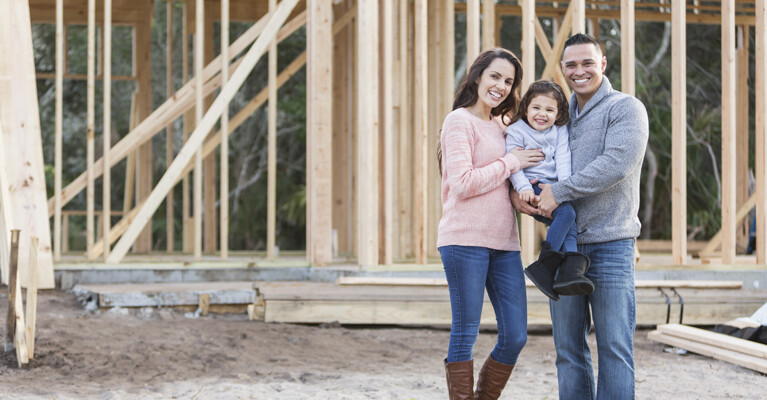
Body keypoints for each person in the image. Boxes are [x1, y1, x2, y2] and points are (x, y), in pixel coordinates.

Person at [512, 33, 649, 400]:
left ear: (603, 64)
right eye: (570, 64)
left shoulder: (625, 108)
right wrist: (524, 193)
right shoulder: (556, 118)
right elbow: (543, 173)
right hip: (564, 250)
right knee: (568, 352)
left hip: (611, 247)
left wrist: (560, 192)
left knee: (614, 350)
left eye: (587, 62)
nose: (579, 70)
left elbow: (616, 165)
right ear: (563, 70)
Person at [437, 48, 545, 400]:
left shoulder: (504, 127)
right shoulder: (458, 121)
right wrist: (510, 162)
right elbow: (463, 184)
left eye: (509, 81)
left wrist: (521, 197)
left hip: (504, 243)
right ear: (478, 76)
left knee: (515, 335)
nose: (501, 85)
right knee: (466, 331)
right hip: (463, 240)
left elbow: (504, 182)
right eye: (495, 76)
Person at [505, 80, 594, 301]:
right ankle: (547, 263)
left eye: (549, 109)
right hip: (531, 183)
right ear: (526, 108)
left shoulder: (559, 130)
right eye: (536, 108)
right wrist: (523, 187)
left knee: (568, 218)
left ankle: (570, 269)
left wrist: (561, 189)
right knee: (568, 215)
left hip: (553, 187)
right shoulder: (517, 130)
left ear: (558, 113)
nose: (542, 114)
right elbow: (513, 163)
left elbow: (563, 158)